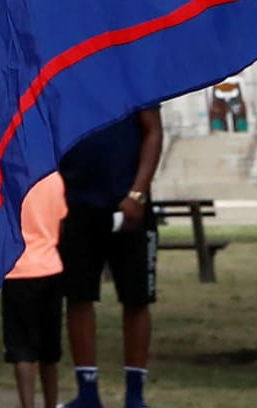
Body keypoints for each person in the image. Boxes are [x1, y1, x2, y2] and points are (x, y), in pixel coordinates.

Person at [58, 108, 163, 408]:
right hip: (77, 205)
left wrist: (138, 194)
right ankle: (87, 393)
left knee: (137, 299)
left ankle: (135, 396)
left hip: (128, 206)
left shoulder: (132, 70)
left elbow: (153, 130)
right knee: (78, 296)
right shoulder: (70, 72)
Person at [2, 173, 68, 408]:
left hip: (18, 270)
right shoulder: (54, 178)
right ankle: (52, 402)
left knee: (21, 348)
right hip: (50, 266)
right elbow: (59, 225)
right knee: (49, 351)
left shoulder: (9, 179)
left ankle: (27, 404)